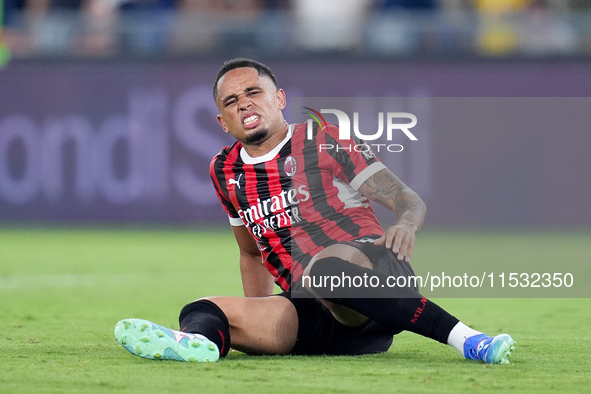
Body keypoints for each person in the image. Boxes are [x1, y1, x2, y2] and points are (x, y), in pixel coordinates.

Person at [114, 58, 515, 364]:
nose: (245, 104)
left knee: (325, 270)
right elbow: (251, 251)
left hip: (375, 275)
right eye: (232, 101)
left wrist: (406, 224)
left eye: (254, 92)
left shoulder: (325, 139)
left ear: (280, 99)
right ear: (222, 121)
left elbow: (406, 197)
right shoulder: (224, 170)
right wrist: (259, 311)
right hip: (318, 316)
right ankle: (199, 344)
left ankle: (469, 339)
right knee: (203, 308)